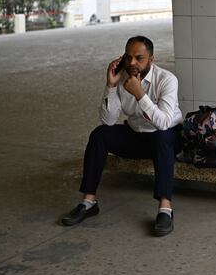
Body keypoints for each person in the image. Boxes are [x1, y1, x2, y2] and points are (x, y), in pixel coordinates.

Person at [61, 36, 184, 237]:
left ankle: (165, 209)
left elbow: (162, 123)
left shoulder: (167, 80)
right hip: (136, 134)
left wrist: (140, 95)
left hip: (167, 137)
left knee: (161, 138)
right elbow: (108, 121)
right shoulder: (122, 78)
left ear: (151, 59)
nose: (132, 63)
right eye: (128, 58)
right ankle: (89, 201)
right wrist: (110, 85)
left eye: (139, 58)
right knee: (100, 134)